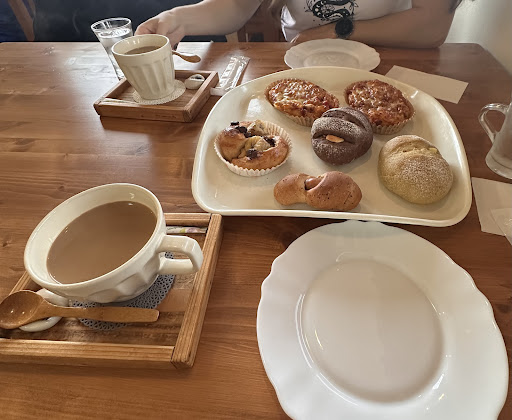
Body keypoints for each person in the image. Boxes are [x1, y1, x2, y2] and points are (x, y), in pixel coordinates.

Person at [135, 0, 467, 48]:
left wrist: (335, 31)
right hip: (301, 58)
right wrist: (178, 18)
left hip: (396, 53)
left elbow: (431, 25)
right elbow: (236, 5)